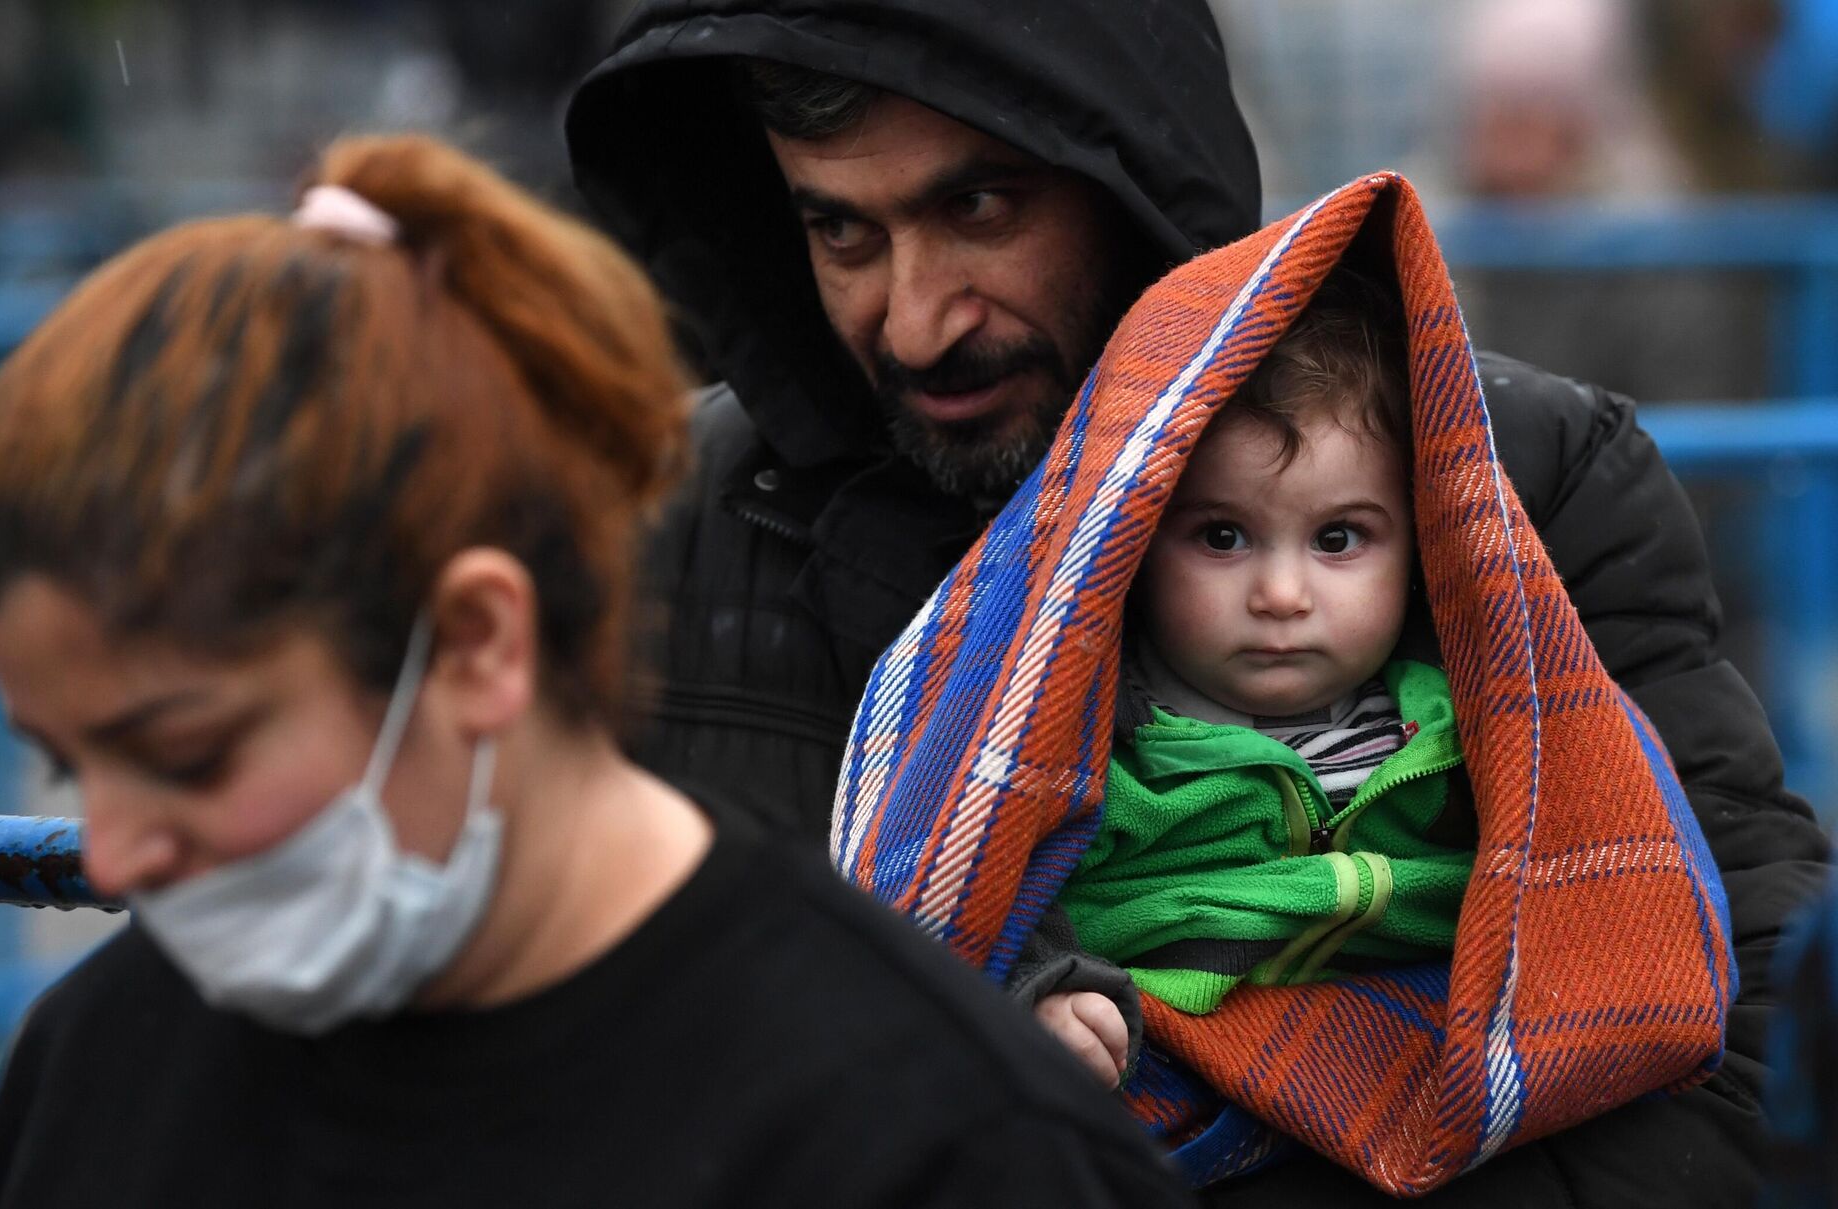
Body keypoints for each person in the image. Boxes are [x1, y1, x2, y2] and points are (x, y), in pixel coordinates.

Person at [564, 3, 1828, 1203]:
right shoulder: (671, 530)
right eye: (841, 231)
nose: (914, 321)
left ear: (1129, 178)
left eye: (981, 206)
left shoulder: (1512, 482)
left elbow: (1745, 1034)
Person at [0, 134, 1193, 1209]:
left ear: (480, 645)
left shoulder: (946, 1141)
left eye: (186, 754)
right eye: (71, 763)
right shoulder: (94, 1073)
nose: (106, 856)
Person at [1017, 268, 1475, 1086]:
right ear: (1137, 542)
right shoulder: (1097, 743)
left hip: (1412, 1056)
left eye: (1339, 539)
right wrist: (1046, 991)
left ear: (1421, 547)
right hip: (1159, 1063)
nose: (1282, 597)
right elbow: (990, 886)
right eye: (1223, 536)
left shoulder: (1467, 731)